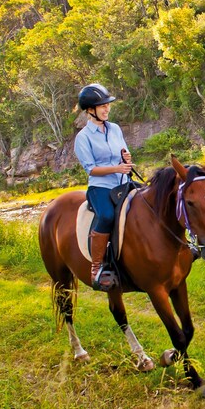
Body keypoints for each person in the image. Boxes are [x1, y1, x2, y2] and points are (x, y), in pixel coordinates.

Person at [74, 83, 133, 291]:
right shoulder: (83, 138)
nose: (107, 109)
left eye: (107, 105)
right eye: (102, 106)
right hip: (100, 187)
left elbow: (123, 152)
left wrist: (126, 158)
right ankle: (97, 267)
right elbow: (91, 169)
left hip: (123, 182)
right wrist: (117, 167)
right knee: (107, 215)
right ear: (90, 110)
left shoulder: (115, 129)